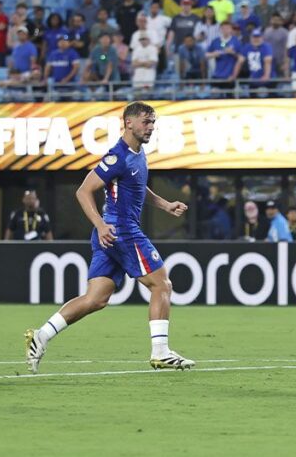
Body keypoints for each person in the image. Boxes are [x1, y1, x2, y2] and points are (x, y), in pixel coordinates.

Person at [25, 102, 195, 372]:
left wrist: (165, 205)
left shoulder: (137, 154)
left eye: (153, 122)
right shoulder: (118, 156)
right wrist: (101, 224)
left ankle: (41, 335)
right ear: (128, 122)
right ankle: (161, 352)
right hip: (122, 230)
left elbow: (139, 188)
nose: (151, 127)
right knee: (161, 284)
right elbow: (83, 191)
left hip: (111, 233)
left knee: (96, 298)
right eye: (145, 121)